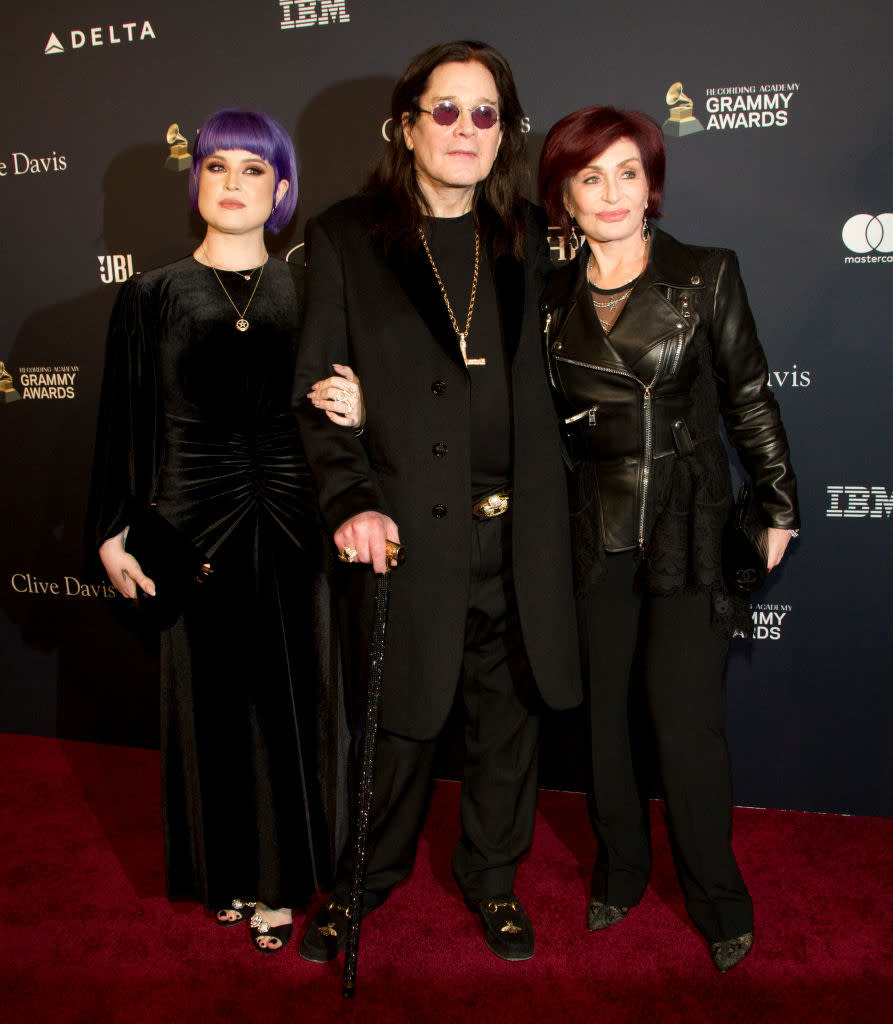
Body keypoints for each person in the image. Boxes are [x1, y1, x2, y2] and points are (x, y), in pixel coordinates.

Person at [293, 40, 581, 963]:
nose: (465, 128)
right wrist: (350, 500)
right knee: (395, 719)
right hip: (407, 530)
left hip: (522, 530)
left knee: (508, 723)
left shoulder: (534, 237)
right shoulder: (346, 236)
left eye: (486, 112)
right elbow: (317, 393)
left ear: (507, 132)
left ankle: (491, 877)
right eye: (445, 109)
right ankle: (360, 883)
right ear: (406, 125)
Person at [537, 106, 799, 972]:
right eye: (589, 177)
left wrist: (777, 507)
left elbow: (749, 396)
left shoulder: (704, 274)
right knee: (605, 724)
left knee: (684, 725)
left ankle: (717, 896)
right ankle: (617, 868)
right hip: (592, 527)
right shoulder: (542, 298)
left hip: (686, 520)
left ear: (651, 183)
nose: (611, 194)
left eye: (626, 172)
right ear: (563, 198)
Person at [90, 109, 354, 954]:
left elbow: (352, 399)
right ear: (196, 181)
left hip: (292, 518)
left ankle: (282, 883)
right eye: (216, 167)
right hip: (189, 521)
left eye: (252, 169)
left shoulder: (311, 288)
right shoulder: (152, 294)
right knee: (210, 706)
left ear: (281, 190)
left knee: (291, 700)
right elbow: (121, 423)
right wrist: (110, 533)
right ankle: (227, 873)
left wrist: (362, 408)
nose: (232, 183)